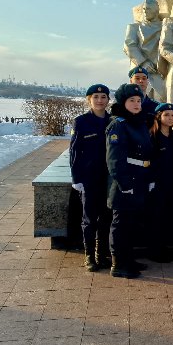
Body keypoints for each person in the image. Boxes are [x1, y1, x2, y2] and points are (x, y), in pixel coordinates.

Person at [106, 83, 154, 278]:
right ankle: (118, 264)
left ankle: (128, 258)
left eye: (138, 101)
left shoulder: (139, 123)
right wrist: (125, 184)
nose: (136, 104)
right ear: (123, 103)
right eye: (131, 101)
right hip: (125, 183)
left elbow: (146, 153)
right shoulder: (118, 124)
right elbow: (114, 159)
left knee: (131, 223)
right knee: (120, 224)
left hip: (139, 179)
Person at [69, 84, 112, 272]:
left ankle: (101, 254)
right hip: (89, 178)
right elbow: (74, 152)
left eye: (103, 97)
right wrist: (76, 178)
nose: (100, 100)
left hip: (109, 178)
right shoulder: (81, 122)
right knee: (89, 218)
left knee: (106, 217)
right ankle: (89, 255)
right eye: (96, 97)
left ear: (108, 100)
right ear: (89, 100)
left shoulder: (114, 121)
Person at [147, 102, 173, 263]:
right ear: (159, 117)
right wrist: (151, 181)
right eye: (167, 115)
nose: (171, 118)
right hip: (157, 184)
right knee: (156, 218)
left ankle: (165, 248)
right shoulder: (152, 137)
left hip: (171, 183)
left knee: (168, 217)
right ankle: (155, 251)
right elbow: (149, 161)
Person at [124, 0, 165, 102]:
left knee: (160, 101)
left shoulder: (165, 27)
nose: (145, 11)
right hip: (139, 70)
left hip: (158, 71)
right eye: (144, 9)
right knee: (137, 100)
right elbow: (129, 46)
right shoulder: (134, 27)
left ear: (156, 11)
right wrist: (144, 62)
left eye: (148, 9)